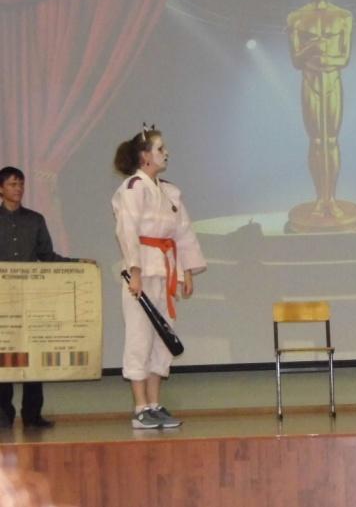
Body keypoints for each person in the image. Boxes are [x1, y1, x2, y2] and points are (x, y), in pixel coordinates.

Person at [112, 127, 206, 429]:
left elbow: (184, 232)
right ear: (145, 155)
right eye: (160, 148)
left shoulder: (169, 191)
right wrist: (135, 271)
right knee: (139, 337)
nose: (166, 153)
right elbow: (127, 230)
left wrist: (187, 270)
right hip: (142, 270)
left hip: (166, 270)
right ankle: (140, 407)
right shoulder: (133, 187)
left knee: (163, 339)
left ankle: (154, 404)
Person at [0, 166, 91, 429]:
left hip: (31, 297)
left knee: (34, 355)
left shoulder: (35, 219)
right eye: (13, 184)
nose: (18, 188)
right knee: (4, 355)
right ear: (1, 189)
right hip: (3, 299)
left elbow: (47, 256)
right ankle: (3, 414)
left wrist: (77, 264)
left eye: (21, 183)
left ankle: (32, 415)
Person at [287, 0, 353, 220]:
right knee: (316, 141)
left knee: (331, 140)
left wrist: (328, 59)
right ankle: (319, 198)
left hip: (332, 81)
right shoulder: (296, 17)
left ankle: (331, 198)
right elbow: (295, 60)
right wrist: (312, 48)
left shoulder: (343, 16)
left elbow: (344, 57)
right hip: (311, 81)